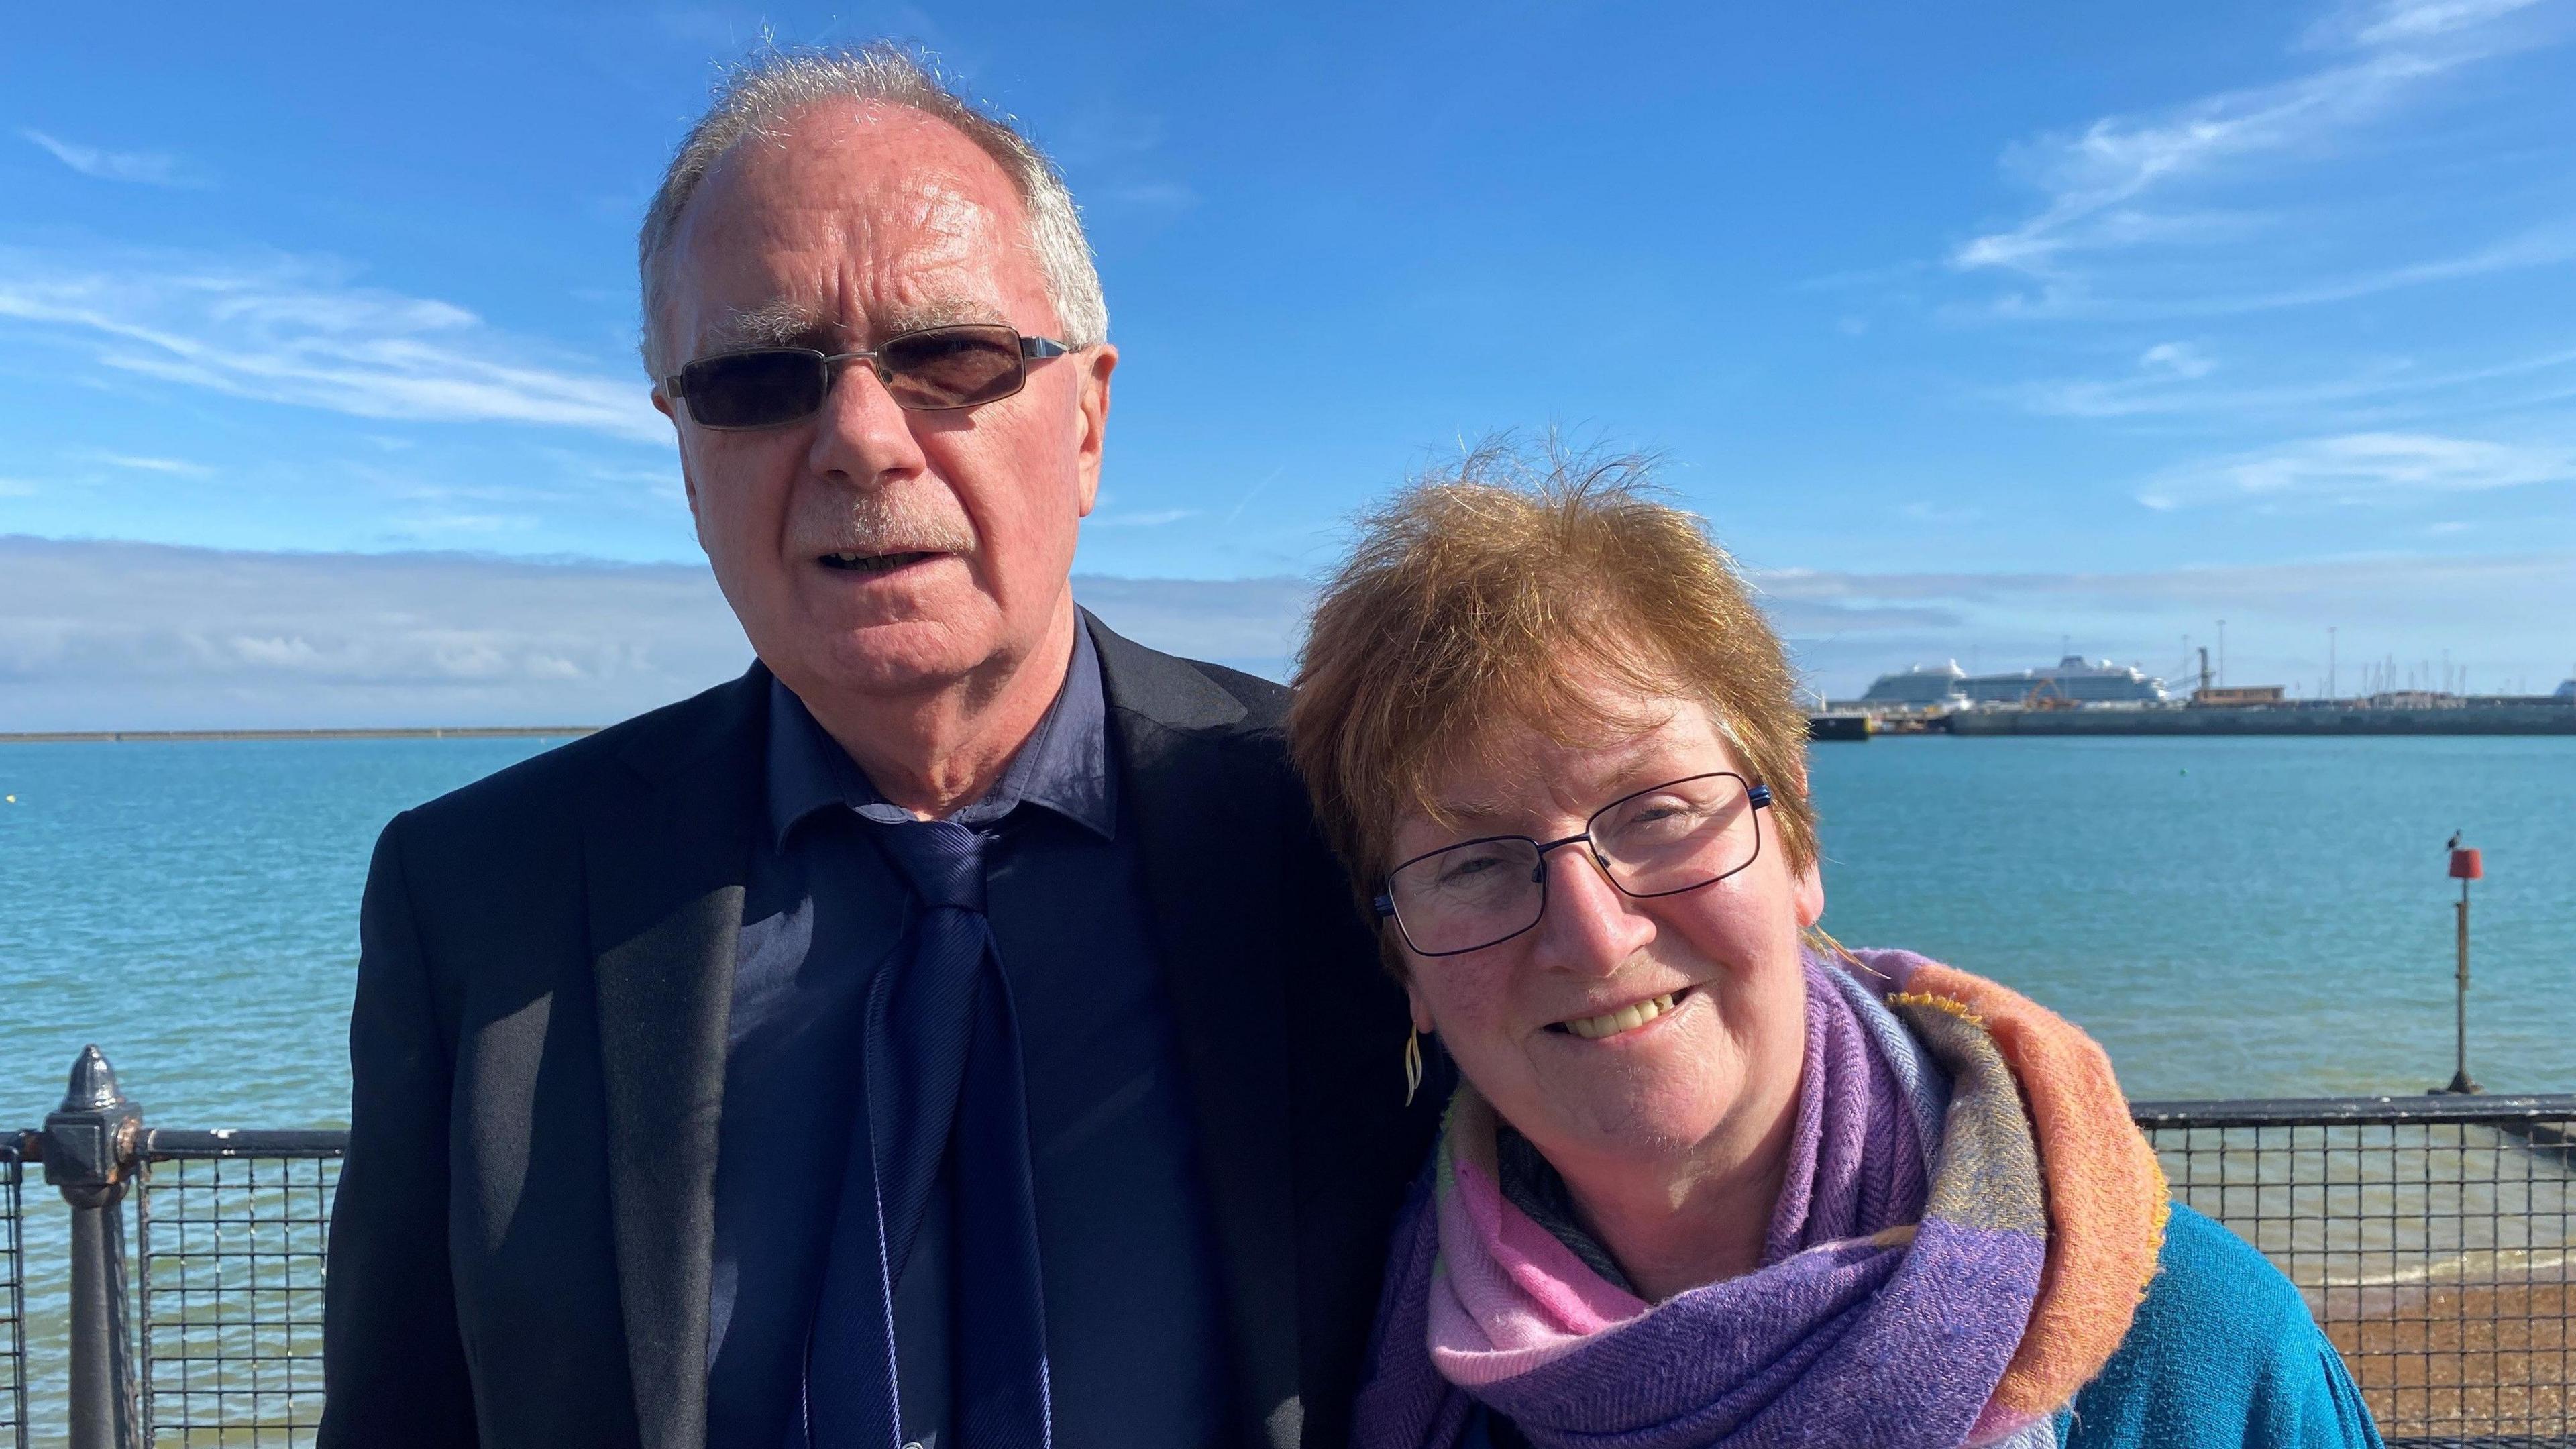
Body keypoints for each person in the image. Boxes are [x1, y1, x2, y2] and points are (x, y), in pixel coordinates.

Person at [319, 46, 1438, 1449]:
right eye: (757, 380)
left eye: (950, 356)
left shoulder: (1346, 811)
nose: (858, 439)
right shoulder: (481, 896)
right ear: (683, 450)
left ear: (1086, 422)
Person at [1286, 451, 2384, 1449]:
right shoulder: (1336, 1354)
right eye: (1474, 863)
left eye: (1659, 811)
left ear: (1797, 839)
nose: (1594, 931)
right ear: (1405, 965)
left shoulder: (2196, 1358)